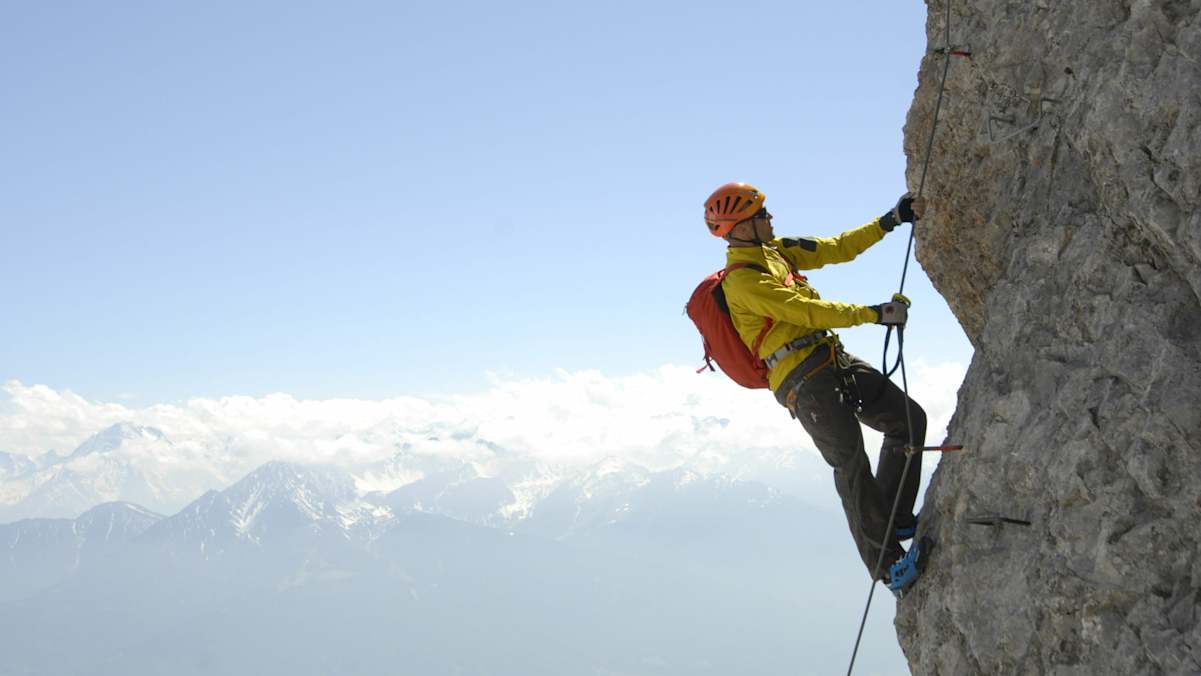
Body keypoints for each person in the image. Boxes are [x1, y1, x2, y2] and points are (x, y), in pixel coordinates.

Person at [704, 181, 929, 594]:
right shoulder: (743, 282)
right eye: (760, 216)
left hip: (828, 359)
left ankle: (895, 516)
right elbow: (803, 311)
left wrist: (889, 221)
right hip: (802, 381)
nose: (770, 219)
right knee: (851, 464)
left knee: (907, 419)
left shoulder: (777, 252)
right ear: (739, 228)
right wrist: (872, 314)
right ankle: (887, 566)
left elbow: (835, 247)